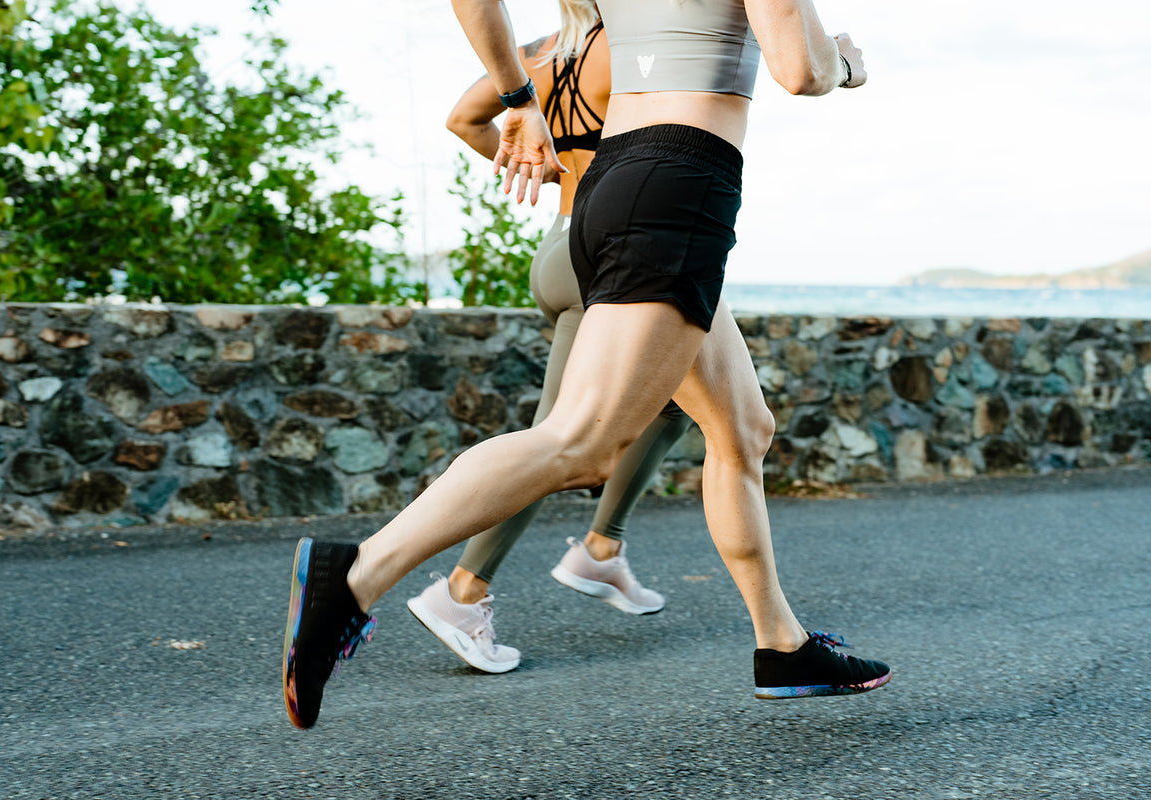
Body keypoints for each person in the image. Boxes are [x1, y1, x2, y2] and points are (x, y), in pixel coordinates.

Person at [283, 0, 891, 730]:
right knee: (582, 441)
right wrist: (847, 62)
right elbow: (801, 69)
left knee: (742, 428)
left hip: (615, 179)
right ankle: (350, 578)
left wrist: (517, 96)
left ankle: (783, 646)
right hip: (681, 182)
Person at [406, 0, 692, 675]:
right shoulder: (628, 45)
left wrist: (537, 162)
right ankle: (463, 590)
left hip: (559, 247)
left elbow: (462, 118)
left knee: (676, 403)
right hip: (610, 254)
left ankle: (602, 549)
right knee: (557, 441)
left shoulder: (537, 52)